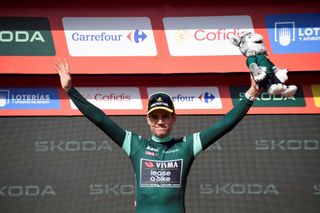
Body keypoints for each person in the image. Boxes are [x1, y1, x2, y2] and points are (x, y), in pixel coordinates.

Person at [55, 58, 260, 213]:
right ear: (148, 120)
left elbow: (225, 124)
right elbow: (101, 120)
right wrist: (70, 90)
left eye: (165, 116)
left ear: (174, 119)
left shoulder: (187, 146)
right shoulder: (136, 145)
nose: (160, 121)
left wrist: (250, 94)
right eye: (155, 116)